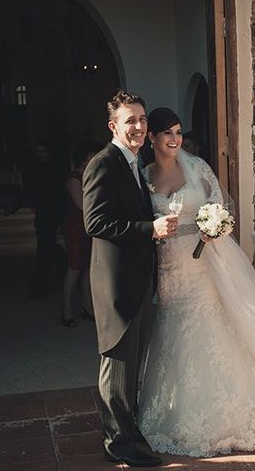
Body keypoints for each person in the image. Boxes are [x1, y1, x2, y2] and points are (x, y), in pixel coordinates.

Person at [137, 107, 255, 457]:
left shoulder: (198, 168)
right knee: (174, 330)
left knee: (213, 325)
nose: (174, 139)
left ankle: (236, 413)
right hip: (170, 266)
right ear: (151, 138)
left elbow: (221, 207)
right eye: (166, 133)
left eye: (179, 132)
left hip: (207, 263)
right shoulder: (142, 177)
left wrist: (215, 226)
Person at [82, 90, 177, 467]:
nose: (139, 127)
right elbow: (95, 222)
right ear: (113, 126)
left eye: (142, 120)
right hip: (116, 281)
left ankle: (129, 433)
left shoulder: (133, 163)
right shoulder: (103, 163)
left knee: (131, 364)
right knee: (117, 365)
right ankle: (117, 445)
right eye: (130, 121)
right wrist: (149, 229)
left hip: (136, 280)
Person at [5, 139, 66, 299]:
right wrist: (15, 206)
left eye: (43, 152)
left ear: (49, 153)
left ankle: (40, 287)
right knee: (47, 247)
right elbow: (28, 190)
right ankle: (67, 267)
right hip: (45, 214)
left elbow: (58, 194)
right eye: (38, 152)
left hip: (51, 213)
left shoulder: (54, 170)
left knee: (44, 250)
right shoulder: (39, 169)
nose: (40, 155)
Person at [61, 141, 100, 327]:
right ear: (86, 158)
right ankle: (66, 311)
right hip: (75, 228)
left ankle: (87, 307)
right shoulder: (74, 179)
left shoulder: (91, 175)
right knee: (74, 268)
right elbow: (82, 205)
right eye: (94, 155)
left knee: (87, 270)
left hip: (89, 228)